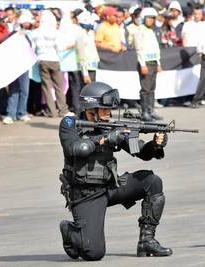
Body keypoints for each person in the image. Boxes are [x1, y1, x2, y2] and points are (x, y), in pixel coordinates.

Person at [58, 82, 173, 261]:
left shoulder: (111, 125)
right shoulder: (70, 123)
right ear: (92, 107)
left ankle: (147, 240)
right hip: (85, 195)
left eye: (109, 110)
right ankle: (71, 232)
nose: (108, 113)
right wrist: (104, 139)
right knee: (94, 253)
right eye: (104, 109)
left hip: (110, 187)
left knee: (152, 181)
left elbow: (141, 152)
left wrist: (155, 145)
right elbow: (77, 149)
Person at [134, 7, 163, 121]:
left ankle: (151, 110)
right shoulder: (139, 30)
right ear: (144, 18)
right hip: (145, 63)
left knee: (152, 88)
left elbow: (156, 49)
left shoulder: (152, 30)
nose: (151, 20)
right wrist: (142, 65)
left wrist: (158, 63)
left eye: (153, 18)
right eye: (149, 18)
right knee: (145, 88)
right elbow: (139, 49)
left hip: (153, 63)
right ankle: (144, 112)